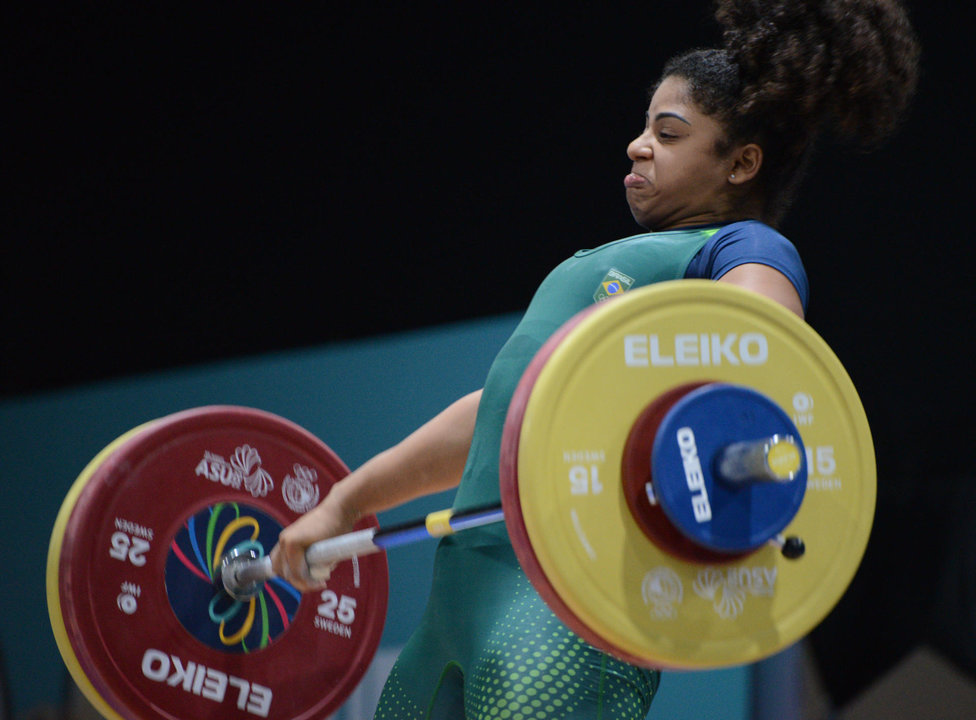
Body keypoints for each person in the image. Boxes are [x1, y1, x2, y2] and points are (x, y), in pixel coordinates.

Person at [271, 1, 919, 717]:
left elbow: (763, 347)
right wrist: (344, 505)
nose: (639, 146)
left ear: (742, 163)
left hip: (564, 617)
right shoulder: (611, 269)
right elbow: (498, 417)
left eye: (668, 134)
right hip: (457, 605)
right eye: (644, 129)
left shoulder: (741, 249)